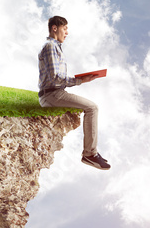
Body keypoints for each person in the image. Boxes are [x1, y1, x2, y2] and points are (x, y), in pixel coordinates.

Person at [38, 15, 110, 170]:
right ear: (55, 28)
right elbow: (55, 77)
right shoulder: (50, 46)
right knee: (92, 108)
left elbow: (57, 77)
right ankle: (90, 154)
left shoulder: (55, 47)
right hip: (52, 94)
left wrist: (83, 78)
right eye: (65, 28)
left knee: (91, 107)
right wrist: (80, 80)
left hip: (54, 92)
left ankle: (91, 153)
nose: (67, 33)